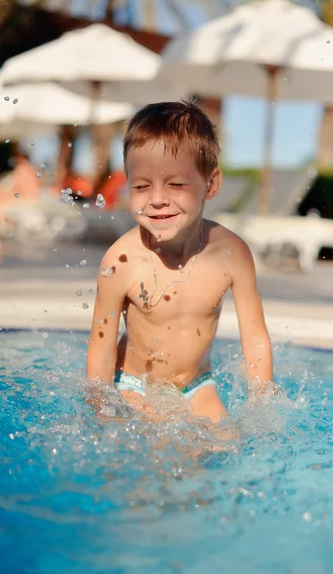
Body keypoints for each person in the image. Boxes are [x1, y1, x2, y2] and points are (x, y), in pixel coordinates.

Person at [86, 101, 273, 424]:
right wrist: (99, 409)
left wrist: (262, 400)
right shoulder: (122, 260)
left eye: (176, 184)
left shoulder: (232, 254)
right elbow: (101, 346)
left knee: (226, 451)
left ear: (211, 185)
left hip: (198, 386)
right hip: (135, 384)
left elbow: (254, 335)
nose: (157, 198)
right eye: (142, 186)